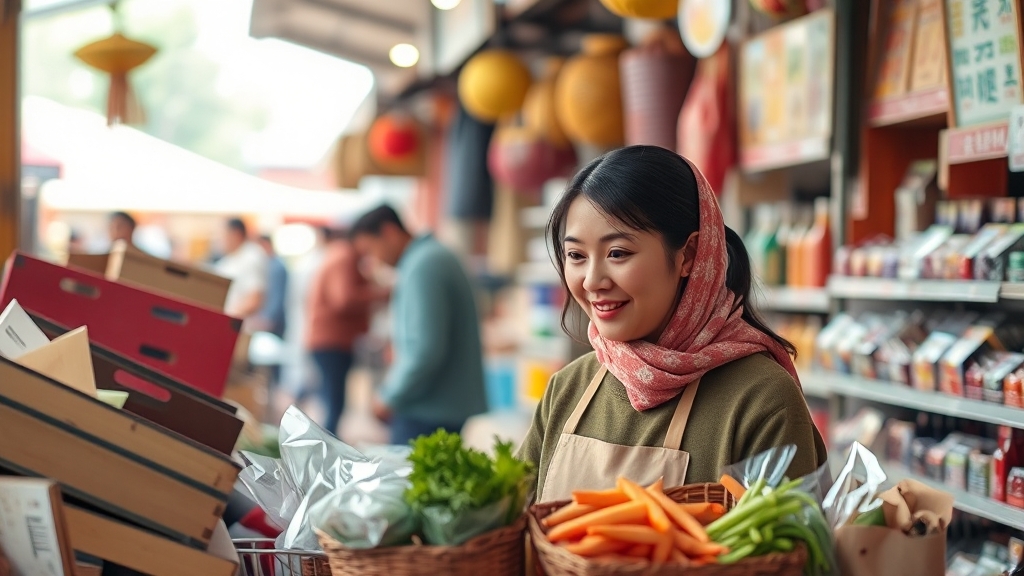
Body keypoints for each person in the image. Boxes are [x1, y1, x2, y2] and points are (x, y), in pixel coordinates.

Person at [517, 146, 827, 502]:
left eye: (617, 253)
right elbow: (511, 523)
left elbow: (789, 538)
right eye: (576, 255)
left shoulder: (761, 400)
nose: (591, 280)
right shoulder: (567, 389)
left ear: (688, 255)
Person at [350, 205, 488, 445]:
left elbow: (425, 350)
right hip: (441, 405)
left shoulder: (423, 265)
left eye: (370, 250)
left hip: (429, 410)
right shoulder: (431, 257)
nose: (374, 260)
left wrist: (388, 396)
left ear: (389, 232)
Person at [305, 227, 387, 435]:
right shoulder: (344, 257)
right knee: (334, 404)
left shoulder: (340, 255)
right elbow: (343, 299)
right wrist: (382, 293)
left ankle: (325, 444)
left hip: (330, 340)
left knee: (332, 401)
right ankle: (325, 448)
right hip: (331, 341)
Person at [215, 218, 268, 324]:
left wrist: (228, 317)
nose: (220, 240)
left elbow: (254, 298)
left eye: (223, 235)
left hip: (239, 325)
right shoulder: (226, 261)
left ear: (236, 234)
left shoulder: (251, 256)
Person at [254, 234, 289, 339]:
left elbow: (277, 296)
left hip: (273, 323)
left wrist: (268, 319)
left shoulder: (276, 266)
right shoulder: (269, 264)